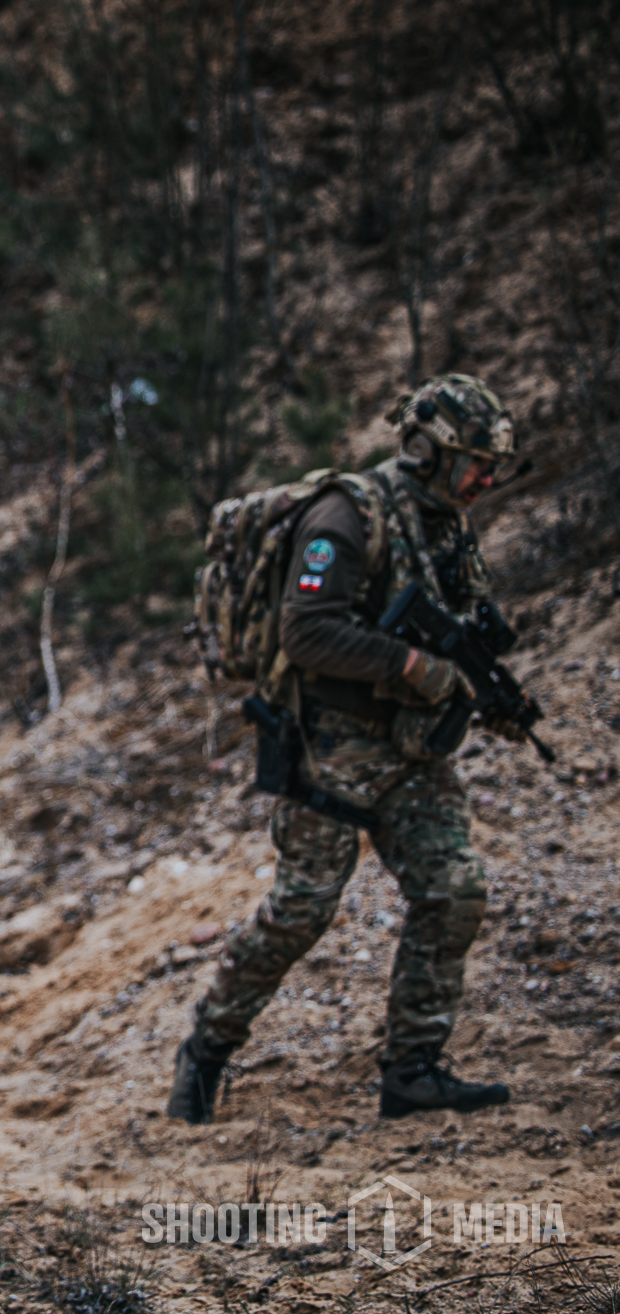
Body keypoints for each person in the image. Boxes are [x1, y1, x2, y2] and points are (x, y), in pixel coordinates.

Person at [170, 375, 526, 1124]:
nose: (485, 480)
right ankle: (205, 1048)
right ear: (428, 451)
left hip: (409, 753)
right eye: (473, 463)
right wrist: (413, 667)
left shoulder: (443, 523)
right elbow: (307, 631)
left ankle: (414, 1067)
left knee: (453, 889)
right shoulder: (346, 515)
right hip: (325, 749)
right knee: (300, 911)